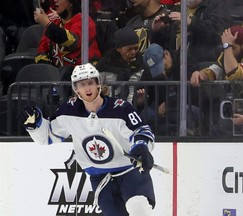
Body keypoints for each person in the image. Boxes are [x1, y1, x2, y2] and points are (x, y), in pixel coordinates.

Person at [19, 63, 156, 216]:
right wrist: (35, 124)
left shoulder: (120, 108)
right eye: (82, 84)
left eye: (90, 83)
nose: (87, 88)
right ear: (76, 89)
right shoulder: (68, 111)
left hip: (129, 170)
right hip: (100, 177)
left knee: (139, 208)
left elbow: (140, 131)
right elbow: (47, 137)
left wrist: (141, 148)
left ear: (98, 84)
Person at [190, 25, 243, 135]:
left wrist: (227, 46)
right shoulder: (228, 53)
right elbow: (214, 70)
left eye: (232, 47)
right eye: (226, 46)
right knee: (217, 128)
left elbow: (234, 73)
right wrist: (200, 74)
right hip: (242, 110)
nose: (229, 50)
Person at [151, 0, 233, 71]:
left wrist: (191, 23)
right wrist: (157, 32)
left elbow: (219, 31)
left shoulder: (216, 4)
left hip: (203, 69)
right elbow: (164, 46)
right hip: (176, 70)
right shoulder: (177, 9)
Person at [34, 0, 102, 80]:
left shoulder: (84, 20)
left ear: (71, 3)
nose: (55, 0)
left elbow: (71, 42)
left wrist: (47, 23)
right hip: (57, 77)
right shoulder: (55, 23)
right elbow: (42, 50)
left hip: (83, 77)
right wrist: (48, 68)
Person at [96, 27, 143, 103]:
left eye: (136, 48)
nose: (133, 52)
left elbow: (132, 91)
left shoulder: (139, 64)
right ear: (118, 49)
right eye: (129, 49)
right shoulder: (105, 64)